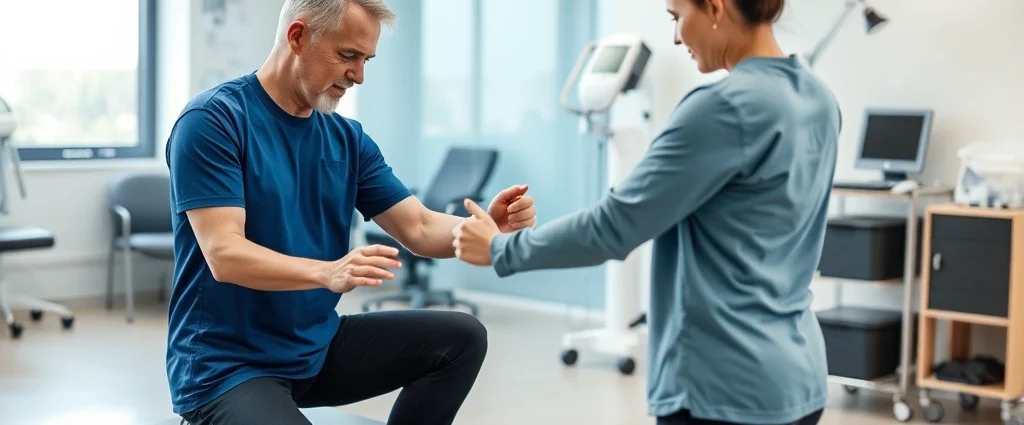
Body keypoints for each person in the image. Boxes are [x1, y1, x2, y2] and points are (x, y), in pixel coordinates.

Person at [452, 0, 838, 424]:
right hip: (799, 377)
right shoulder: (818, 98)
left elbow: (614, 226)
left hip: (725, 387)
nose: (675, 38)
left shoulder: (724, 108)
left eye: (677, 18)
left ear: (714, 7)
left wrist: (501, 248)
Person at [163, 1, 537, 424]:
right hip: (228, 367)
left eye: (366, 60)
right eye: (348, 56)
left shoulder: (346, 138)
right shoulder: (214, 121)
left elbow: (419, 225)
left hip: (314, 347)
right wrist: (327, 272)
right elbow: (224, 254)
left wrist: (486, 228)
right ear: (298, 36)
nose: (359, 75)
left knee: (461, 337)